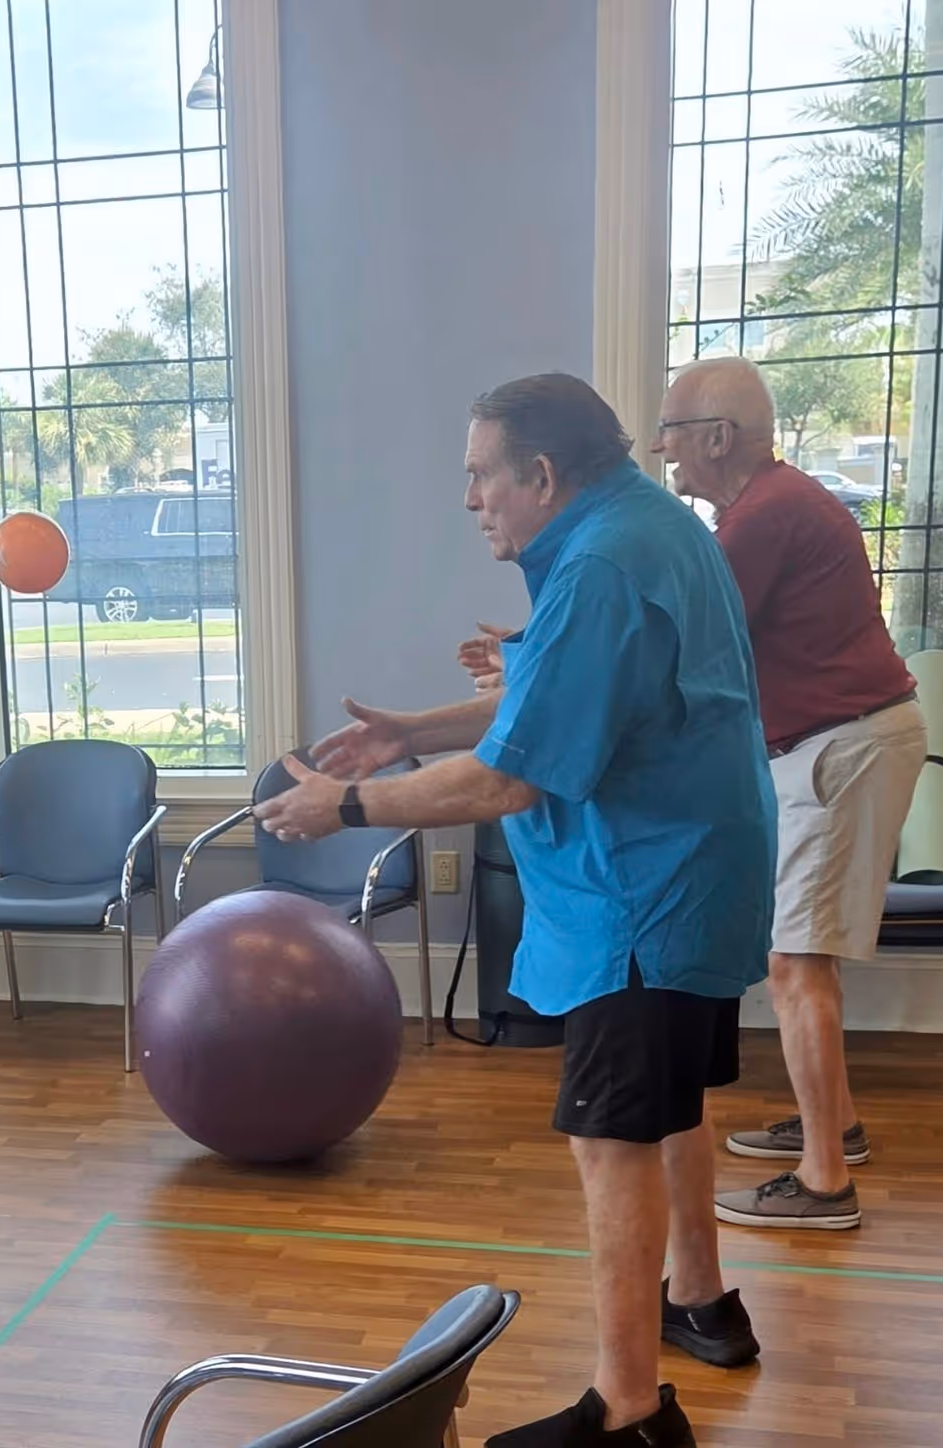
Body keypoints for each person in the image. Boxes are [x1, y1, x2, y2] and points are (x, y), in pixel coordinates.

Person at [256, 375, 774, 1448]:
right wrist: (414, 725)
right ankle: (703, 1299)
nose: (469, 498)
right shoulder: (647, 525)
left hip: (647, 888)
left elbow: (506, 780)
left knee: (611, 1136)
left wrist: (342, 800)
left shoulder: (600, 566)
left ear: (542, 475)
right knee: (668, 1103)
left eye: (479, 474)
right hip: (691, 862)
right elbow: (565, 696)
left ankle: (628, 1411)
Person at [658, 357, 927, 1232]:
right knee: (799, 960)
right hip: (842, 740)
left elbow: (690, 644)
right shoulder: (772, 504)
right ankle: (833, 1129)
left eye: (671, 430)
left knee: (795, 964)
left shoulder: (762, 517)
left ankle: (823, 1185)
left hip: (838, 747)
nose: (664, 449)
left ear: (716, 437)